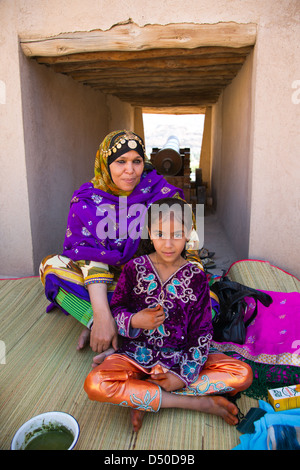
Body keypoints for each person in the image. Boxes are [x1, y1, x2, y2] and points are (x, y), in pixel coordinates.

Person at [84, 198, 253, 431]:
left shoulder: (196, 277)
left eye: (177, 234)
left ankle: (141, 394)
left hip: (179, 358)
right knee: (95, 384)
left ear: (188, 235)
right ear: (149, 234)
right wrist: (134, 320)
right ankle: (195, 403)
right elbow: (117, 309)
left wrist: (182, 375)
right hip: (135, 356)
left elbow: (202, 332)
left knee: (242, 375)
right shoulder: (134, 269)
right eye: (160, 233)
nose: (168, 243)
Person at [40, 130, 201, 366]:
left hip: (153, 284)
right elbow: (88, 256)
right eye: (121, 162)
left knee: (204, 296)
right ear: (105, 164)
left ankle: (124, 337)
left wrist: (183, 283)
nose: (130, 170)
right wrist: (101, 315)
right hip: (107, 285)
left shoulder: (160, 192)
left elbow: (189, 248)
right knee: (50, 267)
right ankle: (100, 323)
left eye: (136, 161)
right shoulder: (87, 200)